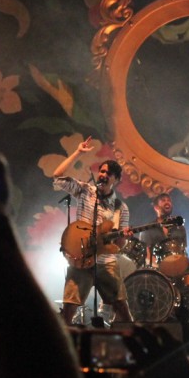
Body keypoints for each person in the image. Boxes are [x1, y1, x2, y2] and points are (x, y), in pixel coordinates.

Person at [52, 137, 133, 324]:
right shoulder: (85, 191)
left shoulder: (121, 207)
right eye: (102, 171)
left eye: (109, 173)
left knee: (121, 306)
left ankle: (132, 344)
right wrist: (78, 152)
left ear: (117, 180)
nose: (104, 174)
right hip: (80, 258)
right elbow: (57, 176)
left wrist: (124, 237)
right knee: (69, 309)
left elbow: (119, 245)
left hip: (105, 261)